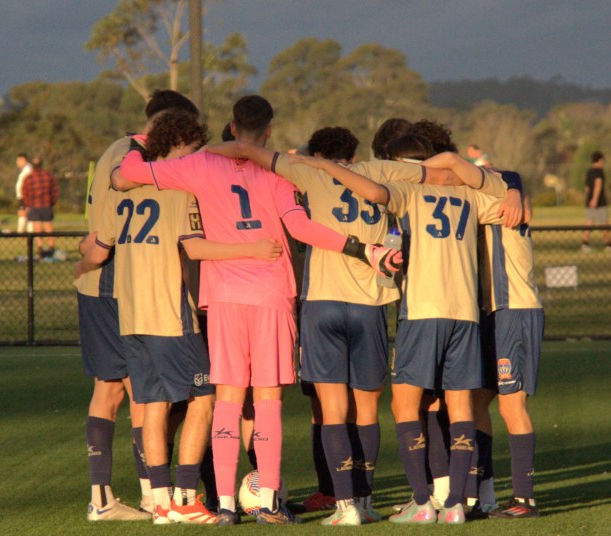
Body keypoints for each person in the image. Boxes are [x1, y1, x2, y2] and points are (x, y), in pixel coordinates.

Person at [115, 95, 401, 525]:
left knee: (228, 400)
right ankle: (268, 499)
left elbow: (128, 174)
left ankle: (227, 504)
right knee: (268, 401)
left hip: (225, 296)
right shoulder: (276, 171)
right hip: (272, 295)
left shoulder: (197, 165)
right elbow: (302, 227)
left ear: (231, 125)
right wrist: (362, 249)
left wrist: (146, 141)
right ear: (268, 130)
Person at [204, 126, 431, 525]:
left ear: (317, 152)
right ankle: (364, 500)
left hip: (323, 304)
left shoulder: (307, 172)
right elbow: (433, 171)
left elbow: (249, 152)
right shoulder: (378, 171)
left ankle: (343, 506)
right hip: (371, 303)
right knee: (366, 409)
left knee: (330, 409)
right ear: (354, 151)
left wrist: (198, 153)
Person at [286, 149, 522, 525]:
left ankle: (421, 502)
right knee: (461, 407)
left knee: (404, 406)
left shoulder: (409, 192)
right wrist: (512, 187)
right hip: (465, 313)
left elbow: (377, 194)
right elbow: (508, 198)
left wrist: (327, 166)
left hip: (422, 310)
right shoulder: (474, 196)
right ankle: (457, 505)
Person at [77, 109, 283, 525]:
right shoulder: (181, 192)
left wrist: (79, 269)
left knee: (150, 403)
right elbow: (196, 249)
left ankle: (161, 501)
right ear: (183, 146)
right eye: (194, 148)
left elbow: (97, 250)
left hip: (130, 317)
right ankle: (187, 498)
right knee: (204, 401)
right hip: (172, 316)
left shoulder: (125, 191)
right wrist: (254, 249)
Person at [71, 89, 200, 523]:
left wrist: (81, 260)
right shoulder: (142, 164)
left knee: (111, 391)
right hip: (119, 284)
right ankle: (153, 494)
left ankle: (103, 497)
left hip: (98, 282)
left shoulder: (115, 149)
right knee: (145, 392)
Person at [463, 182, 544, 520]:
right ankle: (483, 494)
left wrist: (512, 188)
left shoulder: (501, 201)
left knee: (512, 405)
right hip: (493, 311)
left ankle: (525, 501)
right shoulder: (502, 195)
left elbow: (506, 176)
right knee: (479, 398)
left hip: (515, 310)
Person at [21, 157, 59, 258]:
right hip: (46, 205)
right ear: (42, 165)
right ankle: (51, 246)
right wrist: (52, 202)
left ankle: (40, 247)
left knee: (36, 227)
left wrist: (27, 205)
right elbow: (55, 191)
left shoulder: (29, 177)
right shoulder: (48, 176)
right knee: (48, 226)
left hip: (34, 206)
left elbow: (25, 193)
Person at [581, 151, 611, 251]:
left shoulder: (589, 171)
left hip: (589, 200)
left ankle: (585, 243)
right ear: (600, 160)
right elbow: (598, 184)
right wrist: (595, 199)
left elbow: (586, 189)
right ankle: (609, 244)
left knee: (589, 222)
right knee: (604, 223)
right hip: (599, 202)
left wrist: (589, 199)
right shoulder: (599, 171)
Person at [14, 153, 33, 233]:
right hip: (22, 195)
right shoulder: (25, 169)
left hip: (25, 195)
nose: (17, 163)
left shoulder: (28, 169)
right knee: (23, 212)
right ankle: (24, 231)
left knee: (24, 212)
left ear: (23, 160)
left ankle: (24, 231)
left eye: (18, 160)